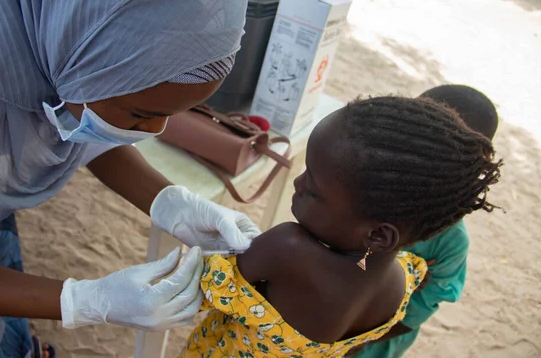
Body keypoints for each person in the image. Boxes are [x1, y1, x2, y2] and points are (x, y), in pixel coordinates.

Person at [0, 0, 262, 357]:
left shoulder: (45, 22)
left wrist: (167, 199)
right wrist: (82, 300)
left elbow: (78, 121)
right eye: (141, 115)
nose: (156, 131)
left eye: (171, 114)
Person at [178, 95, 502, 357]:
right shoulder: (406, 276)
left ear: (378, 234)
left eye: (314, 189)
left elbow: (193, 288)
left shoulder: (287, 249)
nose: (298, 183)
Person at [352, 85, 500, 358]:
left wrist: (355, 343)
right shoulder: (365, 188)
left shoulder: (451, 242)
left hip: (374, 346)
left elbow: (418, 310)